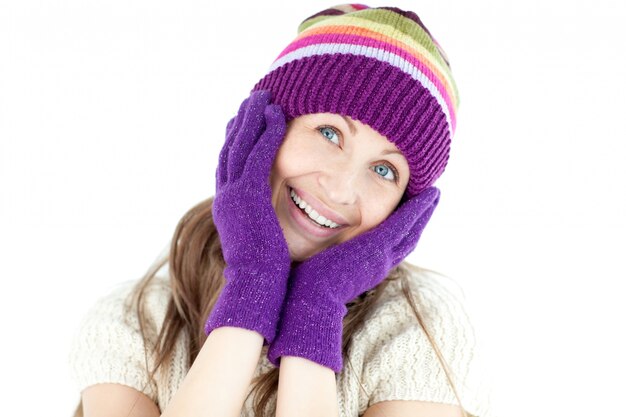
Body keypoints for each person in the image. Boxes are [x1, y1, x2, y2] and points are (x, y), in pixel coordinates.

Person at [68, 4, 492, 417]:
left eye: (384, 170)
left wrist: (317, 307)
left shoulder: (421, 330)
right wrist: (254, 281)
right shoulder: (132, 322)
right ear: (260, 130)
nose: (341, 189)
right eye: (329, 132)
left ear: (407, 211)